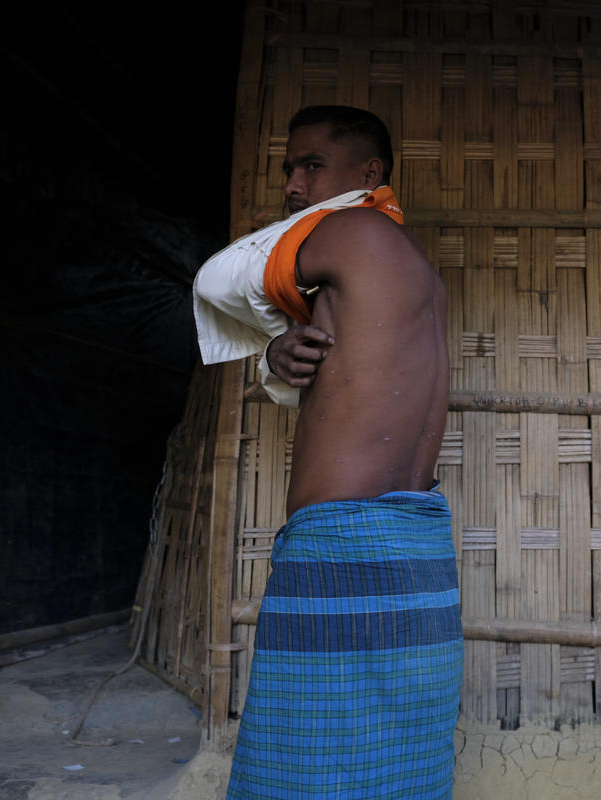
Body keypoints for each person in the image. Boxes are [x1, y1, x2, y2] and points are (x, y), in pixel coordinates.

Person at [195, 106, 460, 799]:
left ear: (369, 174)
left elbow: (217, 278)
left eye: (312, 165)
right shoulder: (417, 275)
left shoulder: (350, 229)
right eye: (290, 168)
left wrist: (267, 336)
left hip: (342, 545)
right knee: (396, 760)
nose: (293, 184)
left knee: (302, 765)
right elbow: (336, 385)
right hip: (417, 549)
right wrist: (277, 351)